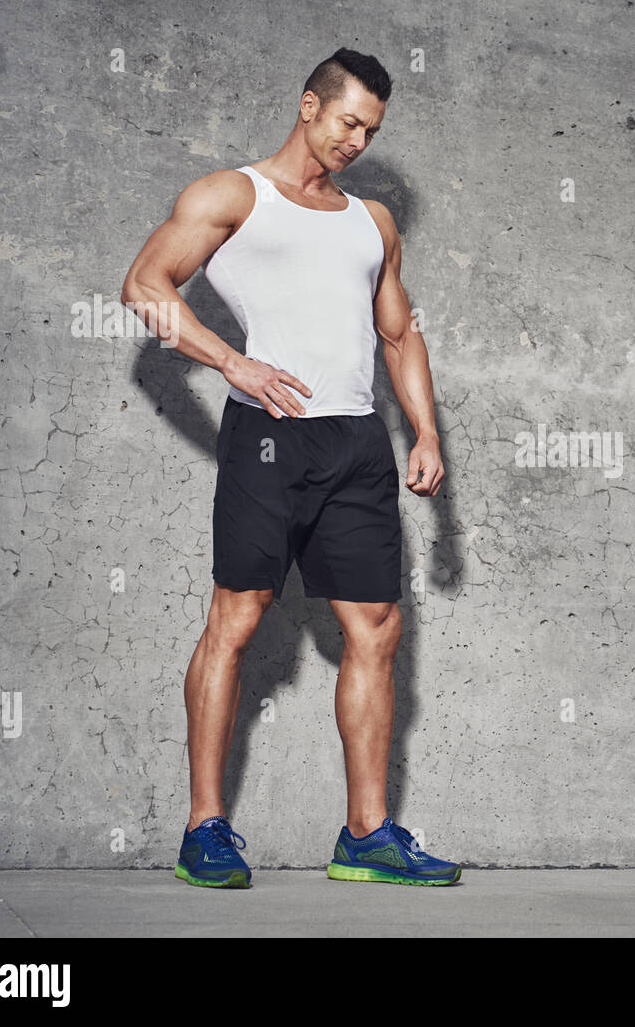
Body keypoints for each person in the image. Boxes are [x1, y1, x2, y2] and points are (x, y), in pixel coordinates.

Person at [121, 48, 460, 888]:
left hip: (356, 445)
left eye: (372, 130)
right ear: (309, 105)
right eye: (349, 121)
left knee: (376, 630)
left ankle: (367, 834)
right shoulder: (232, 195)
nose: (358, 139)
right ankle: (206, 827)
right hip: (268, 438)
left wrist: (424, 431)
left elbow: (397, 333)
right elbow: (144, 284)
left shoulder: (372, 220)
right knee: (235, 622)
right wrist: (230, 363)